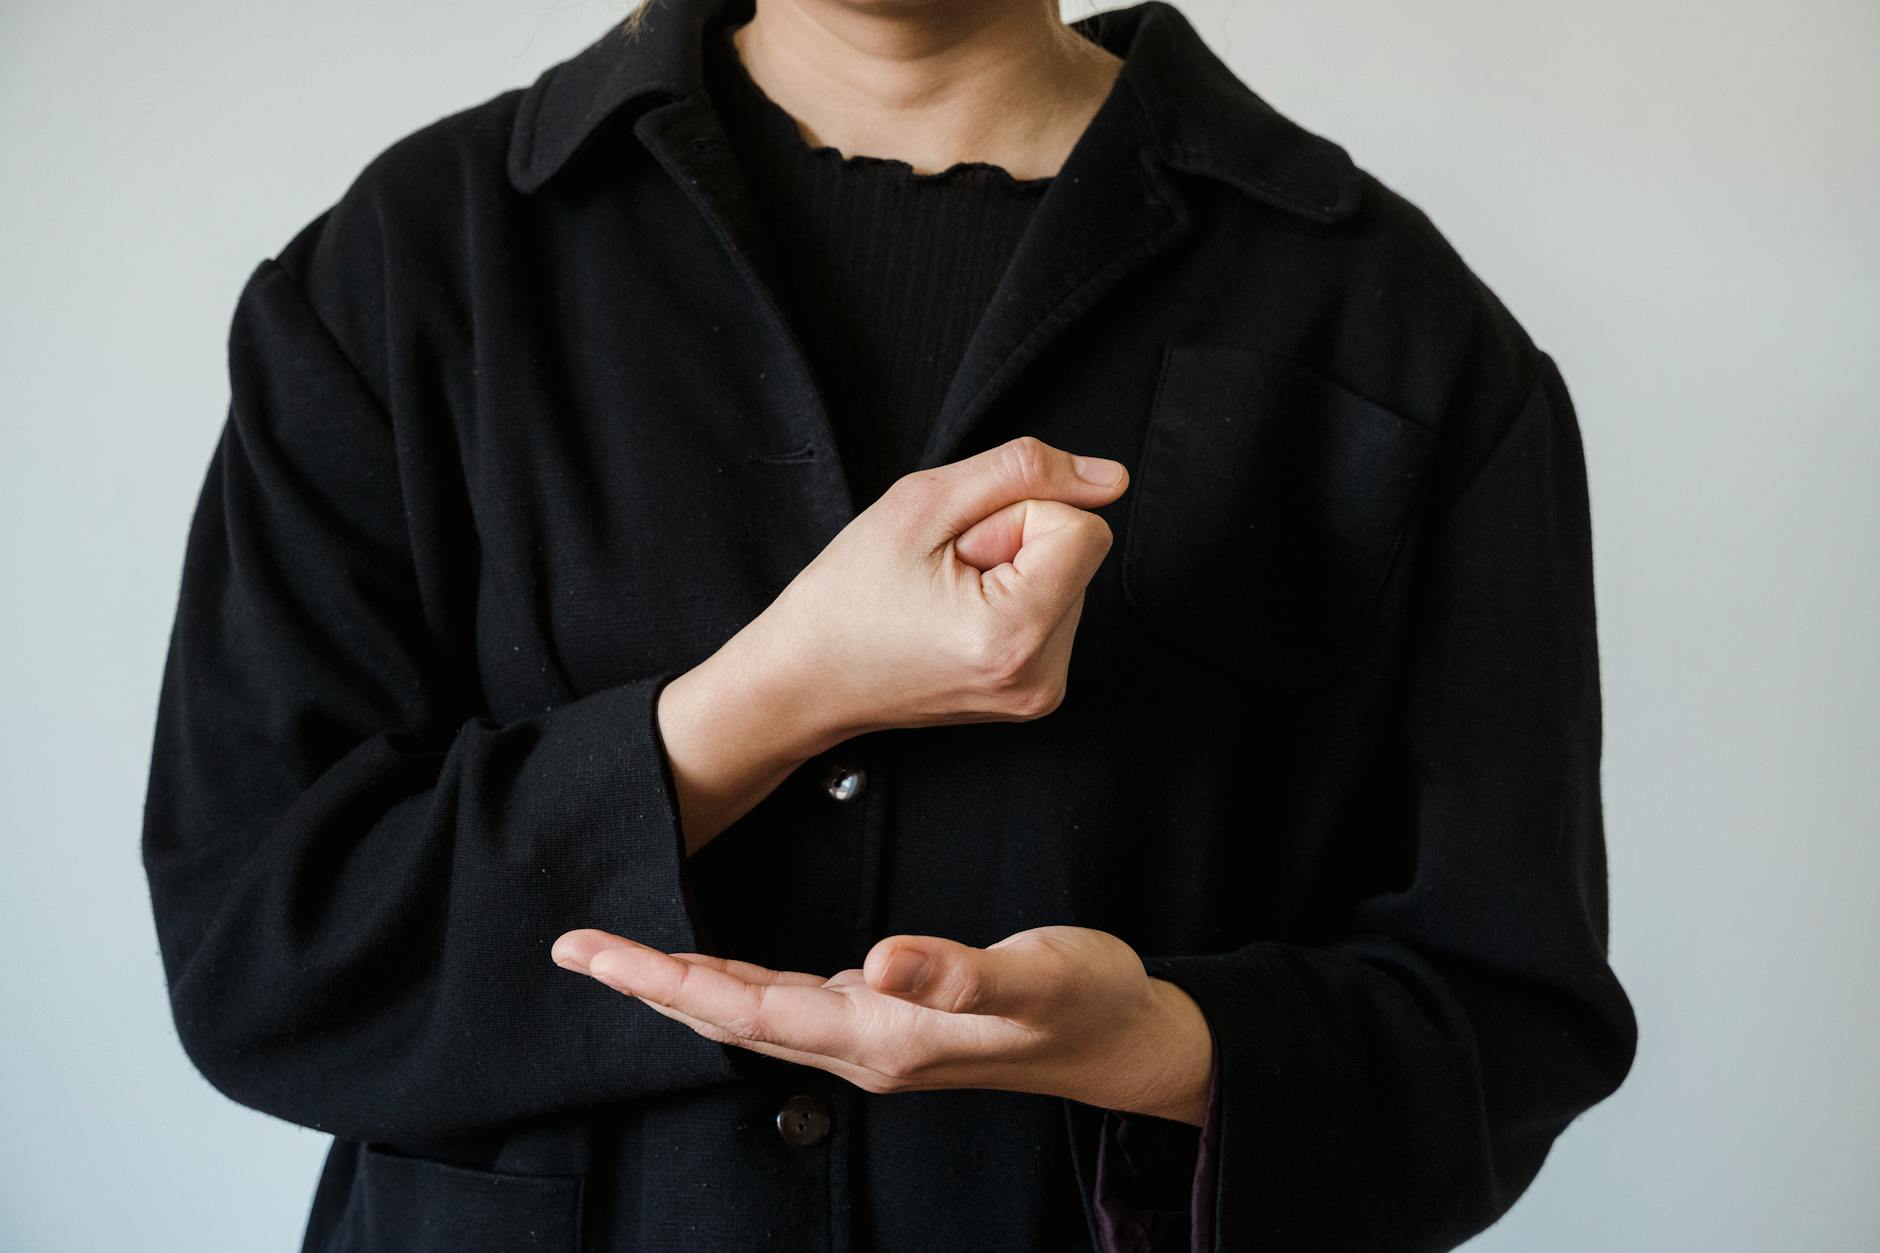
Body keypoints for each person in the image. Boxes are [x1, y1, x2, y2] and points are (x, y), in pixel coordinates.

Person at [140, 0, 1639, 1249]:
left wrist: (1164, 1043)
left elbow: (1510, 1021)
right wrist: (779, 695)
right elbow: (263, 952)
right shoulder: (409, 266)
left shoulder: (1405, 337)